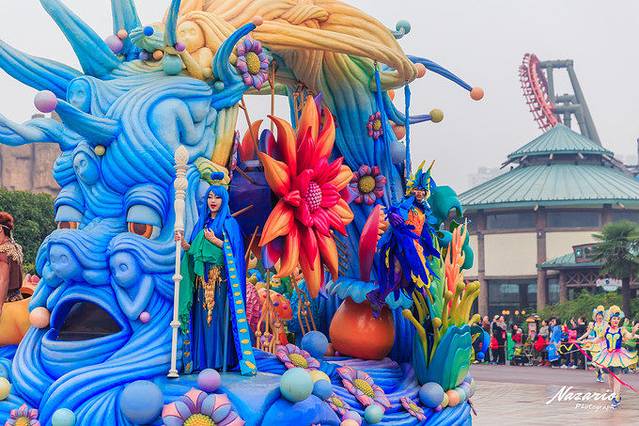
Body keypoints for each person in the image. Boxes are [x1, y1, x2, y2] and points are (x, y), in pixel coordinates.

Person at [175, 176, 256, 376]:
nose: (213, 201)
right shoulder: (201, 224)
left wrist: (216, 241)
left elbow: (235, 253)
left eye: (217, 197)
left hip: (220, 282)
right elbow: (193, 252)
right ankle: (201, 361)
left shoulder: (229, 224)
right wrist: (183, 243)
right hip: (201, 282)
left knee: (217, 319)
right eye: (210, 197)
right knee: (202, 320)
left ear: (224, 200)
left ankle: (220, 361)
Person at [591, 306, 639, 408]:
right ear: (610, 320)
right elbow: (599, 339)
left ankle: (616, 398)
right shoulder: (606, 329)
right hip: (607, 355)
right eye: (614, 318)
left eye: (617, 319)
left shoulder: (622, 330)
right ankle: (614, 394)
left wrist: (633, 332)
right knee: (610, 379)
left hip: (618, 356)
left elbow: (629, 336)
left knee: (617, 377)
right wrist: (588, 342)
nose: (616, 320)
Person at [0, 212, 24, 316]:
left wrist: (0, 306)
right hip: (17, 299)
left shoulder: (2, 251)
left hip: (6, 303)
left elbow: (3, 280)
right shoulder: (15, 247)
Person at [577, 306, 607, 382]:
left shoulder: (606, 324)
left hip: (604, 344)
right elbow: (588, 333)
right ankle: (598, 375)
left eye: (601, 315)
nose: (599, 317)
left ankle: (602, 376)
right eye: (598, 315)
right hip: (595, 344)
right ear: (595, 316)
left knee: (602, 361)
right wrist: (580, 338)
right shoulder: (593, 324)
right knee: (596, 362)